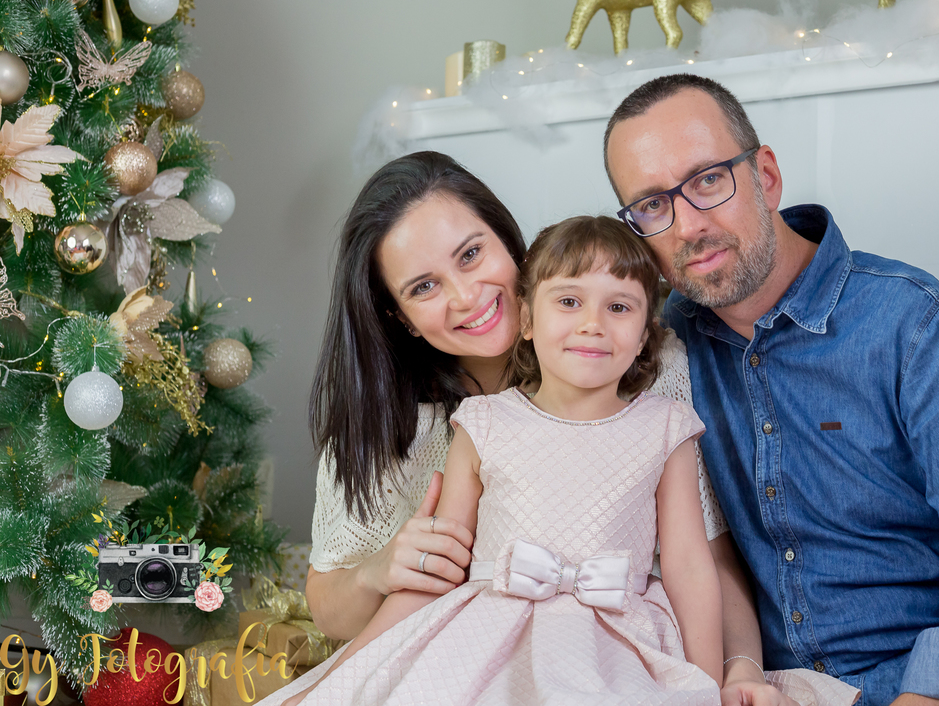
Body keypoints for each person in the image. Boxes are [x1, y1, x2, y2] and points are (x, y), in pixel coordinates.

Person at [602, 73, 939, 706]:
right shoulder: (656, 350)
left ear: (765, 175)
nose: (686, 226)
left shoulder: (918, 325)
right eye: (653, 205)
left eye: (709, 180)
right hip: (788, 690)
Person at [270, 216, 858, 705]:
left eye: (620, 308)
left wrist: (707, 683)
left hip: (617, 640)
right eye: (569, 302)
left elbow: (690, 563)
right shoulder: (481, 423)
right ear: (528, 319)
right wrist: (343, 680)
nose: (591, 325)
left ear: (647, 332)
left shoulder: (664, 425)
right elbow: (436, 573)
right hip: (487, 639)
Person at [300, 155, 728, 660]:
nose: (465, 296)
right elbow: (331, 607)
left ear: (507, 241)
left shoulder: (651, 382)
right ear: (402, 317)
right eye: (424, 287)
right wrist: (378, 571)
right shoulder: (403, 425)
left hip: (626, 657)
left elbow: (705, 563)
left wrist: (728, 674)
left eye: (471, 254)